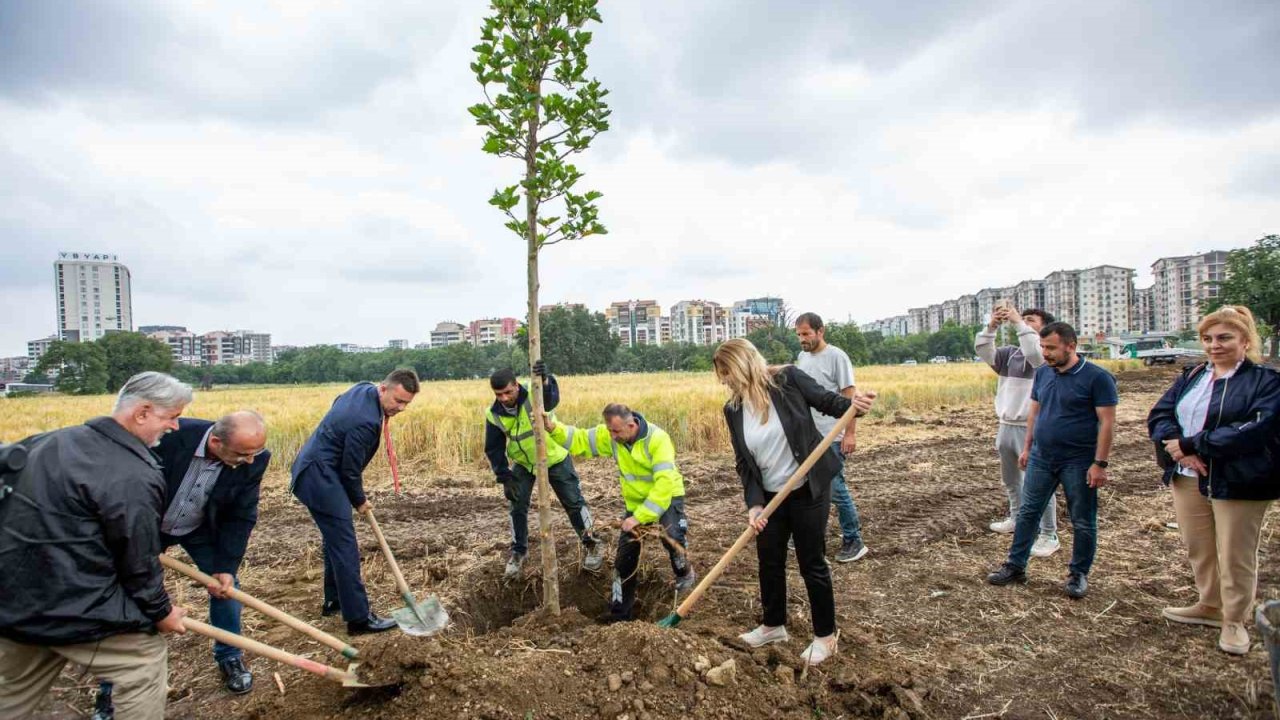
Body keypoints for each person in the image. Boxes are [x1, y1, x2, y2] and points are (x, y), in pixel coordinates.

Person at [0, 372, 191, 720]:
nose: (176, 426)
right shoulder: (133, 473)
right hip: (79, 608)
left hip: (17, 604)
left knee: (11, 693)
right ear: (143, 412)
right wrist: (161, 612)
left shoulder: (43, 443)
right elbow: (139, 561)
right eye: (172, 417)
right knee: (144, 664)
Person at [93, 412, 270, 718]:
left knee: (226, 588)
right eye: (243, 454)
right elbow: (114, 482)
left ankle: (229, 656)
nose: (250, 461)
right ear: (216, 442)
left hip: (197, 525)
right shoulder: (169, 436)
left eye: (254, 454)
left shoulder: (254, 458)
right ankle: (112, 688)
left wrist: (225, 565)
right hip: (145, 527)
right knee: (127, 598)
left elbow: (241, 514)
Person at [714, 339, 874, 666]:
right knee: (769, 561)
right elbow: (744, 462)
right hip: (771, 496)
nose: (723, 380)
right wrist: (754, 505)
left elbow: (829, 402)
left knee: (810, 561)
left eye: (725, 372)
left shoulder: (788, 379)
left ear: (742, 364)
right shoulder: (732, 409)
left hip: (807, 488)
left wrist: (854, 405)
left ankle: (825, 637)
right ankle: (773, 626)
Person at [1147, 305, 1280, 655]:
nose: (1214, 345)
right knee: (1199, 546)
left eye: (1224, 338)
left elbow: (1255, 429)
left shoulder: (1265, 381)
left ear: (1245, 340)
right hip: (1188, 475)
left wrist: (1195, 444)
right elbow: (1161, 414)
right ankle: (1209, 604)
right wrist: (1180, 451)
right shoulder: (1192, 377)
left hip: (1239, 479)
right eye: (1207, 338)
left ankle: (1234, 621)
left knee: (1236, 553)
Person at [987, 322, 1117, 599]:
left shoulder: (1097, 378)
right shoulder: (1044, 374)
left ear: (1071, 346)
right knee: (1028, 512)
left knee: (1082, 519)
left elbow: (1107, 423)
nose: (1045, 353)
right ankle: (1015, 566)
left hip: (1079, 461)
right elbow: (1034, 411)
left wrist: (1100, 463)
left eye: (1051, 348)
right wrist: (1027, 447)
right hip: (1041, 458)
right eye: (1043, 347)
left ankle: (1078, 574)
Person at [292, 369, 419, 635]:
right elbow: (350, 471)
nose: (401, 408)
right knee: (345, 545)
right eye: (398, 401)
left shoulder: (362, 388)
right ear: (384, 389)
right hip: (320, 478)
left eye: (406, 403)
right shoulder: (366, 421)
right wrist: (359, 500)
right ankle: (359, 619)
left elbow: (338, 405)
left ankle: (334, 601)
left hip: (313, 468)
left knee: (335, 540)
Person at [544, 403, 695, 622]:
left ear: (632, 424)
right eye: (609, 431)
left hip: (666, 498)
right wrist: (552, 428)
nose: (612, 436)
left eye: (616, 431)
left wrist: (639, 518)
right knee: (624, 562)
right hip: (635, 505)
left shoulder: (658, 439)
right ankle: (620, 614)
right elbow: (580, 440)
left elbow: (664, 485)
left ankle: (684, 573)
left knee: (673, 537)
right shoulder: (613, 436)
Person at [485, 361, 602, 579]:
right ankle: (518, 553)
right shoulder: (494, 414)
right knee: (517, 507)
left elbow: (550, 399)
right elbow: (494, 448)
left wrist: (546, 380)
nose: (503, 398)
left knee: (574, 503)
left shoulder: (534, 393)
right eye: (498, 394)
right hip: (525, 464)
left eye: (507, 392)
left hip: (554, 457)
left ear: (517, 386)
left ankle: (592, 544)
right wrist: (504, 477)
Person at [975, 303, 1061, 558]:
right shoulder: (1011, 355)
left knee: (1040, 482)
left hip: (1033, 427)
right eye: (1023, 318)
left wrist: (1017, 322)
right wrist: (991, 325)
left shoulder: (1046, 356)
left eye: (1031, 320)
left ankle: (1048, 534)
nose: (1023, 322)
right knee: (1011, 478)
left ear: (1046, 329)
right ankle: (1016, 517)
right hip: (1006, 424)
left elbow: (1035, 353)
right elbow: (983, 350)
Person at [794, 312, 868, 563]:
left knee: (835, 489)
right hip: (810, 436)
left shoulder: (837, 357)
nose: (802, 339)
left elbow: (850, 398)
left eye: (806, 334)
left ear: (820, 331)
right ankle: (809, 536)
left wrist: (850, 433)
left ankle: (854, 540)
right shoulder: (802, 358)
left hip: (833, 435)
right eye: (799, 335)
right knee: (807, 488)